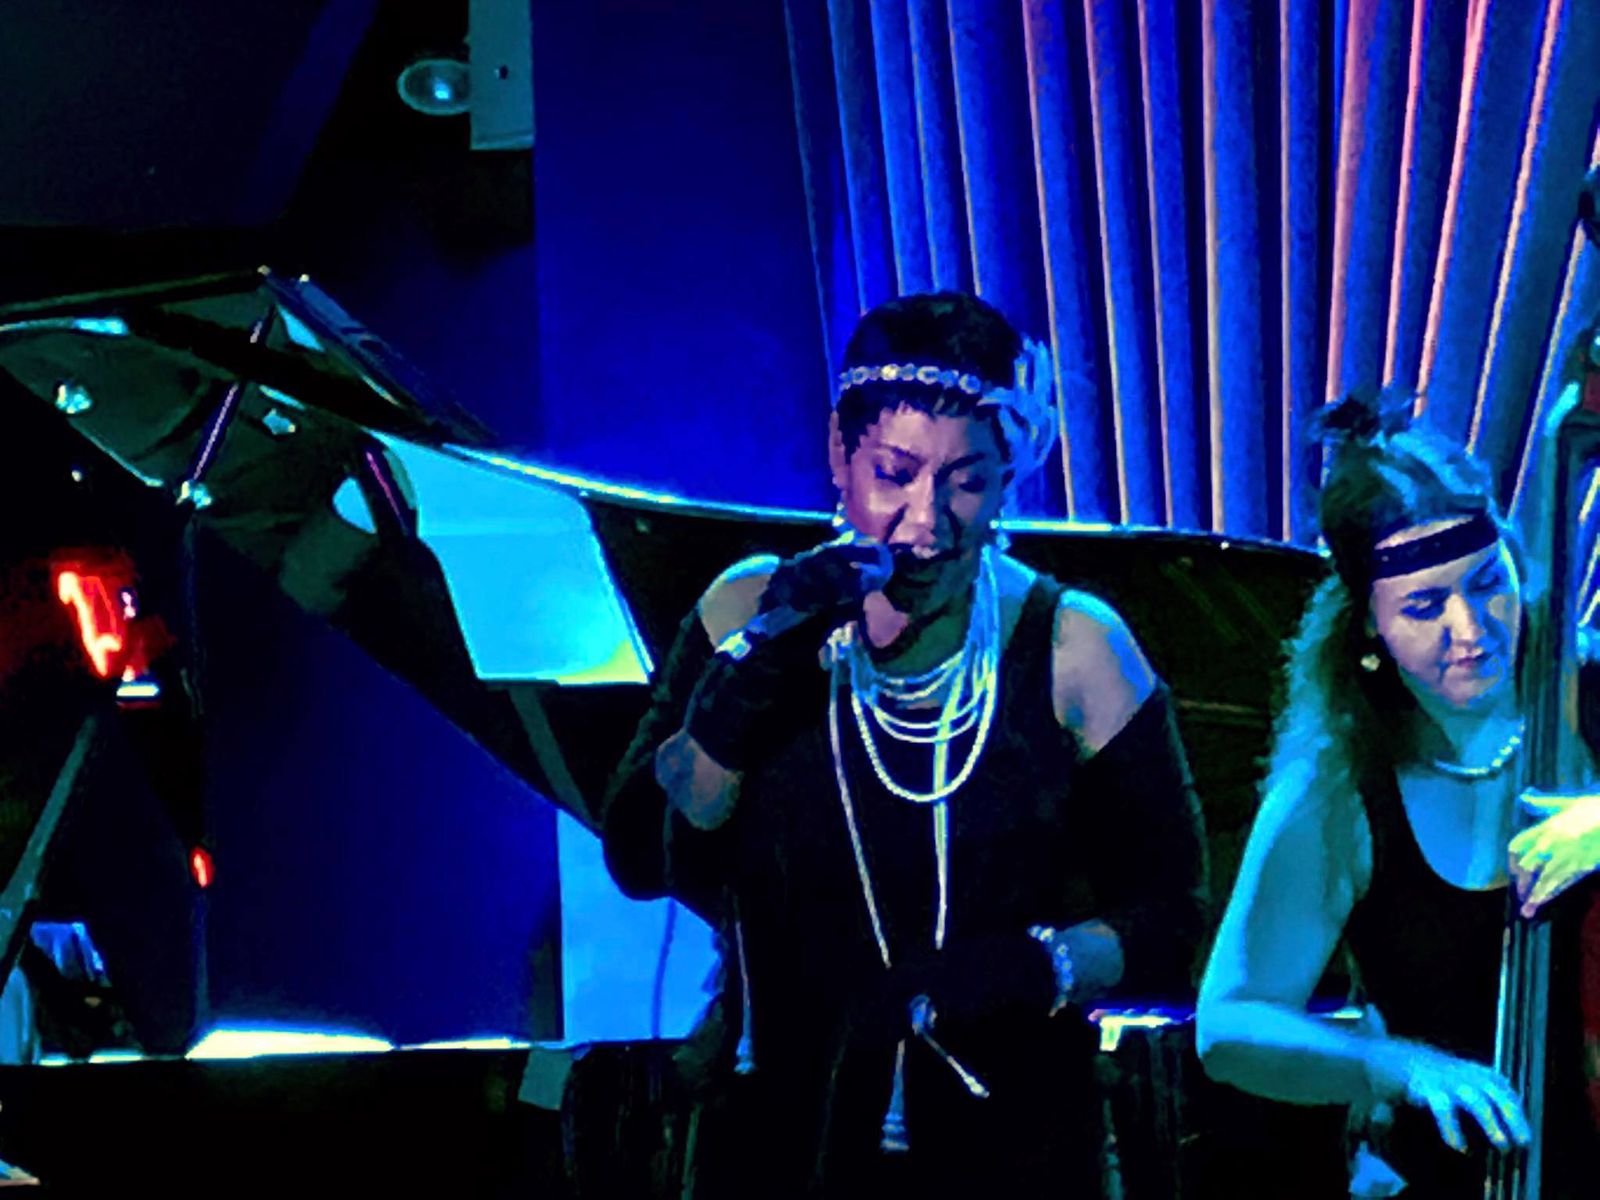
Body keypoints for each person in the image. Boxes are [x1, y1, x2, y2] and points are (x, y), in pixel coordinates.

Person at [600, 291, 1209, 1197]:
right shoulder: (744, 608)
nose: (926, 524)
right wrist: (753, 670)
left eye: (966, 481)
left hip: (1011, 1138)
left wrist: (1032, 966)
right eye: (894, 474)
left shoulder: (1075, 647)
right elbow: (643, 855)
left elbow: (1172, 915)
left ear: (1006, 478)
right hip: (782, 1131)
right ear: (839, 455)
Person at [1197, 389, 1600, 1197]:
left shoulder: (1588, 690)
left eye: (1487, 583)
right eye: (1424, 606)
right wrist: (1394, 1065)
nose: (1471, 629)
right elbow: (1230, 1025)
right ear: (1370, 626)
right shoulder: (1337, 789)